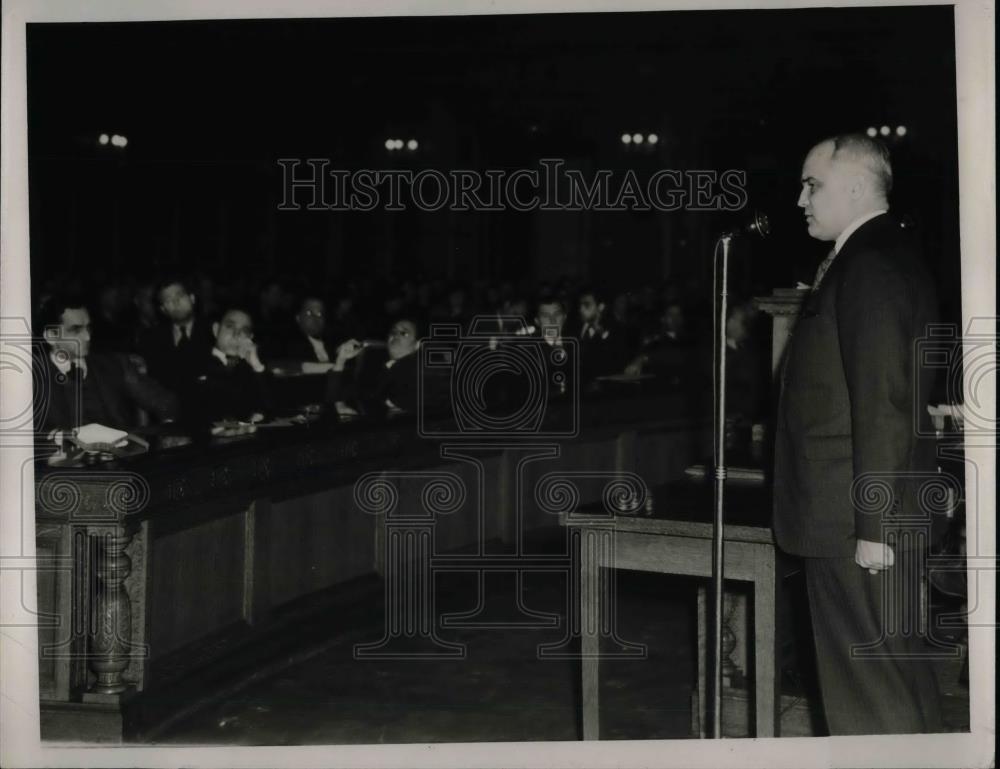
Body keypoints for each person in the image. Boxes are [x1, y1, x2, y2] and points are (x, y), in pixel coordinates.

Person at [773, 133, 945, 734]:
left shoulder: (868, 263)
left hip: (857, 522)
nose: (800, 199)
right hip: (859, 517)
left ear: (853, 184)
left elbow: (884, 402)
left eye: (811, 184)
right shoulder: (876, 255)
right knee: (894, 680)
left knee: (867, 695)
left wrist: (873, 527)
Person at [33, 294, 178, 437]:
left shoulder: (115, 365)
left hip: (121, 457)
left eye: (88, 328)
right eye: (76, 330)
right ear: (51, 336)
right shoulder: (31, 377)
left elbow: (167, 403)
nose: (87, 337)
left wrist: (169, 430)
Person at [326, 318, 423, 417]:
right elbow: (336, 395)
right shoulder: (373, 371)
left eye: (404, 333)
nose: (396, 335)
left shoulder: (422, 373)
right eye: (393, 331)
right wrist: (341, 359)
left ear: (417, 344)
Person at [143, 276, 215, 403]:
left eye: (180, 296)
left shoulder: (213, 332)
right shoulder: (152, 339)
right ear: (163, 309)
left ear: (192, 298)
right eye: (168, 300)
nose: (176, 302)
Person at [191, 308, 271, 424]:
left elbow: (271, 408)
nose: (236, 334)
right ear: (216, 329)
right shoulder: (196, 362)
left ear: (250, 338)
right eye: (230, 326)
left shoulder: (253, 368)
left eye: (244, 330)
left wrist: (256, 366)